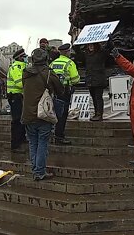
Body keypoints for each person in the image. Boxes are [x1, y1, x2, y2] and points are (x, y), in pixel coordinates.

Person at [22, 48, 64, 181]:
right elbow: (60, 90)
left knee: (33, 143)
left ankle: (35, 169)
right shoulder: (48, 74)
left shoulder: (25, 72)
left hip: (28, 113)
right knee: (42, 143)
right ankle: (40, 171)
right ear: (46, 59)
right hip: (43, 114)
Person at [50, 43, 80, 145]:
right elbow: (75, 79)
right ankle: (59, 136)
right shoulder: (69, 63)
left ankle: (53, 134)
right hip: (65, 92)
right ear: (66, 52)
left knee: (53, 113)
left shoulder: (53, 63)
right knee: (63, 114)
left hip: (54, 92)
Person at [7, 48, 28, 152]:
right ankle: (15, 145)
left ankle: (22, 138)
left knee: (22, 119)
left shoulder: (23, 66)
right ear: (19, 57)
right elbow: (19, 83)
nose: (26, 58)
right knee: (16, 120)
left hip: (20, 96)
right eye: (24, 57)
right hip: (15, 96)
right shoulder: (16, 67)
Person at [84, 43, 107, 121]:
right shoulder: (87, 55)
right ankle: (96, 113)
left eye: (92, 45)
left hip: (98, 80)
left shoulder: (100, 54)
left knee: (98, 97)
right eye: (89, 45)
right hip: (90, 79)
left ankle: (99, 114)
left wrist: (109, 41)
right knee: (94, 97)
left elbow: (107, 50)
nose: (90, 46)